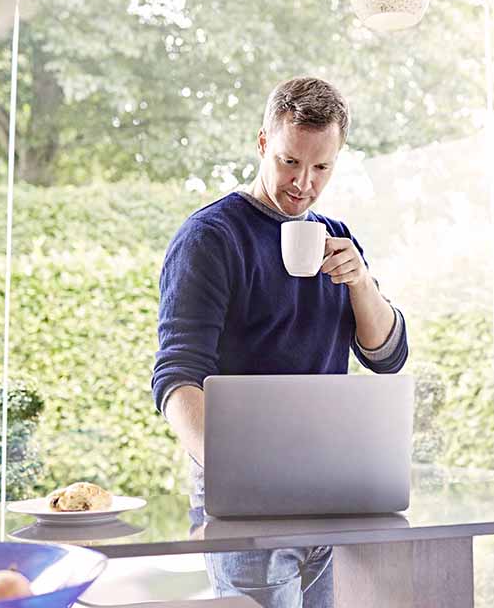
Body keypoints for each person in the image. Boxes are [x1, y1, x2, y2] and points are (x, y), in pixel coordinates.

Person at [151, 76, 409, 607]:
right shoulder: (211, 238)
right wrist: (241, 477)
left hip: (329, 493)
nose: (304, 184)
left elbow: (388, 356)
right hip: (245, 505)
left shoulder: (337, 235)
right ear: (263, 143)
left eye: (322, 168)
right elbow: (176, 379)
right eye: (291, 162)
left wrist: (360, 282)